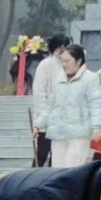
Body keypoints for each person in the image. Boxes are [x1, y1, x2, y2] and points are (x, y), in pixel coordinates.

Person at [40, 43, 101, 168]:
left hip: (79, 134)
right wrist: (38, 124)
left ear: (79, 61)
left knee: (73, 171)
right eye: (62, 61)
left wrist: (97, 126)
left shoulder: (90, 79)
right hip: (58, 133)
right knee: (57, 171)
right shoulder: (59, 79)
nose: (64, 65)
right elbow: (51, 106)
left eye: (67, 61)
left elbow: (96, 104)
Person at [29, 33, 70, 167]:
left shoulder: (68, 65)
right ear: (54, 49)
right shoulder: (45, 65)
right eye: (60, 49)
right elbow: (39, 92)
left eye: (65, 49)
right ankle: (33, 178)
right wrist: (43, 117)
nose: (63, 52)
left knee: (58, 155)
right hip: (47, 118)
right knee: (42, 152)